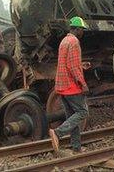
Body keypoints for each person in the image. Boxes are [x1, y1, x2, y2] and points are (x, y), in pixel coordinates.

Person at [49, 16, 90, 153]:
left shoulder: (64, 41)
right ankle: (58, 133)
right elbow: (72, 66)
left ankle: (76, 147)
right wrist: (82, 83)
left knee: (72, 116)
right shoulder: (74, 42)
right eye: (82, 29)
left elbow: (67, 63)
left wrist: (81, 65)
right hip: (71, 86)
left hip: (62, 86)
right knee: (82, 112)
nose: (83, 32)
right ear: (77, 29)